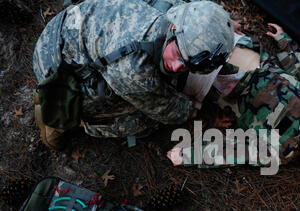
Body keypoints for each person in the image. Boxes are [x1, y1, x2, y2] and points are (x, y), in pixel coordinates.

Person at [32, 0, 235, 150]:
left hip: (65, 29)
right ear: (174, 29)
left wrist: (220, 33)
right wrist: (187, 108)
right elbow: (167, 110)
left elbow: (199, 20)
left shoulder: (175, 13)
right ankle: (57, 119)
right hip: (56, 68)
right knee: (142, 121)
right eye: (178, 54)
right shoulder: (134, 70)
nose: (175, 66)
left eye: (186, 64)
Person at [167, 23, 300, 183]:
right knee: (187, 22)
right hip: (246, 52)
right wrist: (285, 42)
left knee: (172, 48)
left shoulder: (282, 150)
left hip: (219, 82)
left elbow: (235, 151)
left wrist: (188, 155)